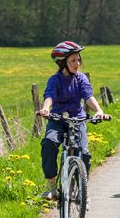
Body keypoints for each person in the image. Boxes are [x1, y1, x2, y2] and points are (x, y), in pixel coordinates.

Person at [37, 41, 108, 200]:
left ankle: (81, 188)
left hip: (77, 119)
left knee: (84, 153)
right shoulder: (54, 80)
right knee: (49, 142)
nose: (77, 64)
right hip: (57, 119)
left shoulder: (81, 78)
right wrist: (46, 109)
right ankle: (52, 186)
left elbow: (88, 96)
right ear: (63, 63)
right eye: (73, 61)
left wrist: (99, 111)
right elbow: (49, 96)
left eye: (78, 60)